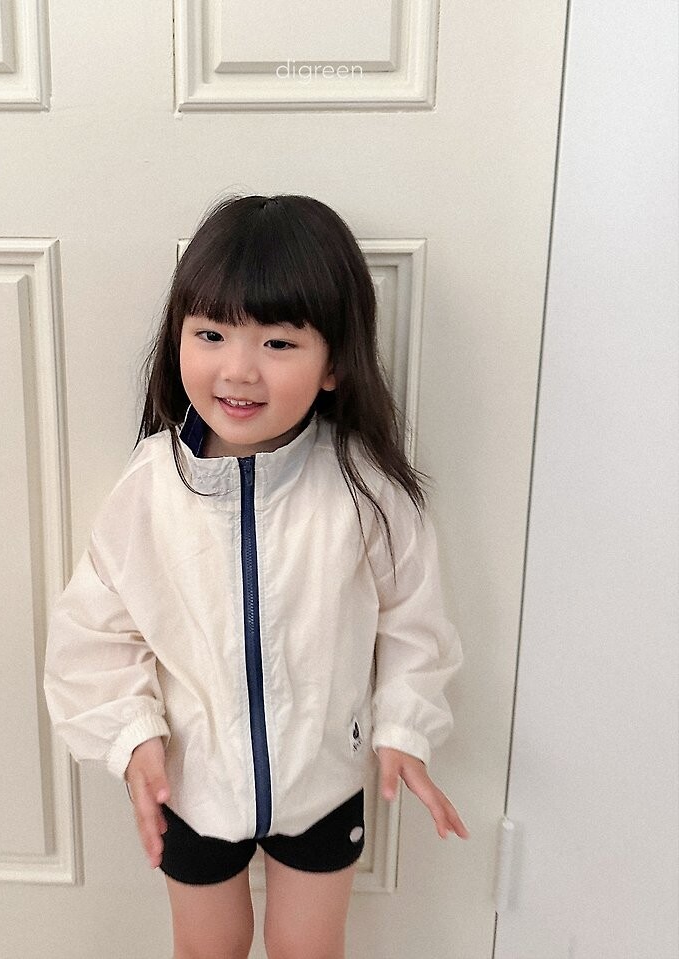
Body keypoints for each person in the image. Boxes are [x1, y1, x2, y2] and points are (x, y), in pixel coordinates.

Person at [44, 193, 469, 959]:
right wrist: (133, 737)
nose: (238, 369)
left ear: (334, 363)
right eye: (211, 333)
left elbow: (414, 618)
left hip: (324, 779)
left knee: (309, 948)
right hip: (192, 784)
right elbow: (95, 632)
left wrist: (406, 727)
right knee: (208, 947)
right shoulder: (150, 487)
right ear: (178, 336)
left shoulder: (363, 488)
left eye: (277, 342)